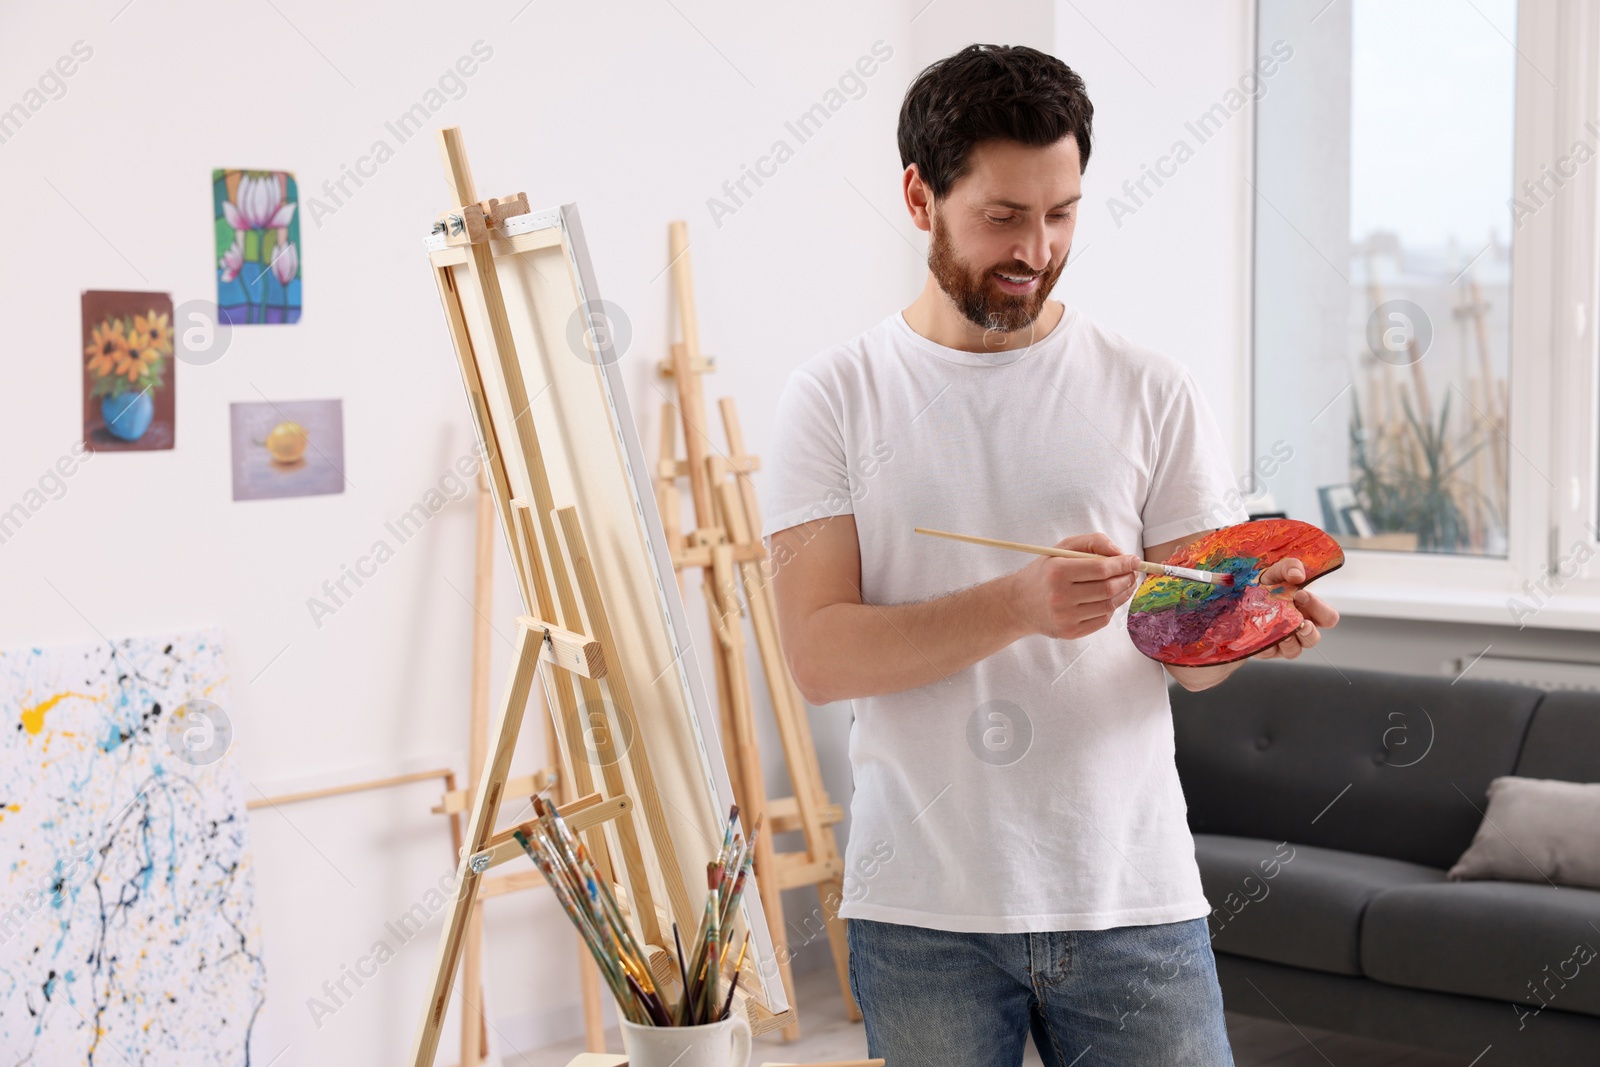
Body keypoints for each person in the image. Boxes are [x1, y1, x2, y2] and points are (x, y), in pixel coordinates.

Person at [759, 43, 1339, 1067]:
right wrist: (1018, 603)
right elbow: (818, 655)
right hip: (921, 906)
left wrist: (1255, 623)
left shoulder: (1150, 388)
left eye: (1060, 211)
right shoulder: (833, 396)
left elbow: (1181, 654)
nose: (1037, 246)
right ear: (917, 195)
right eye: (1001, 215)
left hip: (1130, 894)